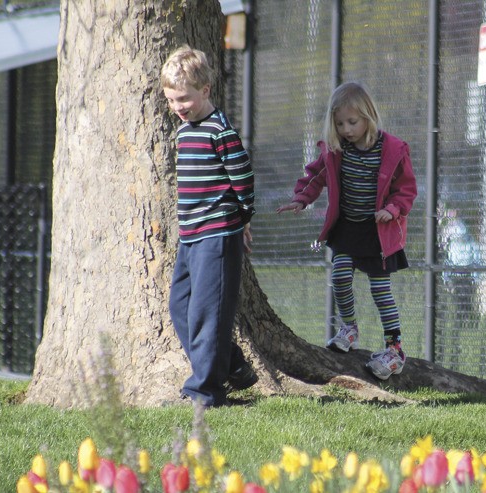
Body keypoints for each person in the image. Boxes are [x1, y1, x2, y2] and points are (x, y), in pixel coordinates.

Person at [277, 81, 417, 380]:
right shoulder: (337, 150)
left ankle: (395, 349)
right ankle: (349, 328)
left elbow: (405, 191)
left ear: (369, 116)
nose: (346, 129)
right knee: (340, 276)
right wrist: (301, 199)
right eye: (340, 123)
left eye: (352, 122)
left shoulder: (392, 150)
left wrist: (390, 211)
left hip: (377, 233)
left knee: (381, 292)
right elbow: (316, 176)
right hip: (347, 230)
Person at [160, 45, 258, 407]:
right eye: (171, 100)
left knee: (207, 314)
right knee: (181, 306)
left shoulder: (220, 129)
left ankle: (206, 391)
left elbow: (243, 179)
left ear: (205, 90)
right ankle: (232, 364)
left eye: (184, 99)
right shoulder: (185, 130)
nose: (177, 107)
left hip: (217, 235)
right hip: (190, 236)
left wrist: (243, 219)